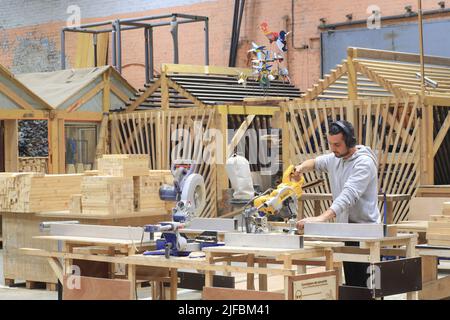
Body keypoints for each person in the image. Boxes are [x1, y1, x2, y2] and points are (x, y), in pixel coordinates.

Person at [294, 120, 380, 229]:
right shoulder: (336, 158)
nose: (333, 149)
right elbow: (315, 162)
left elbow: (348, 196)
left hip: (367, 230)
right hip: (345, 228)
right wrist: (300, 168)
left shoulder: (364, 163)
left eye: (337, 145)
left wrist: (321, 218)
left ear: (349, 142)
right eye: (330, 144)